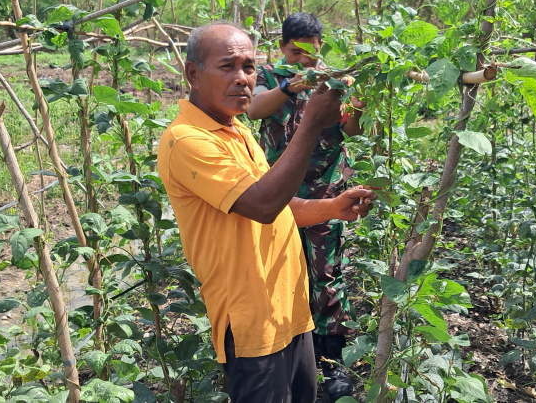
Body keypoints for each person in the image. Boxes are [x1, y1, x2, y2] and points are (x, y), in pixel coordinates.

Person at [157, 21, 376, 403]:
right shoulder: (186, 141)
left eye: (249, 67)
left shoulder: (236, 130)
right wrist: (311, 122)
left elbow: (280, 205)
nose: (243, 78)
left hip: (289, 312)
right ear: (193, 73)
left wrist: (331, 208)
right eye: (228, 66)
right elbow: (262, 205)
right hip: (251, 325)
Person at [247, 13, 364, 402]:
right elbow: (254, 109)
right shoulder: (269, 77)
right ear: (282, 47)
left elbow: (350, 131)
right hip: (277, 193)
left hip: (326, 191)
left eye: (312, 54)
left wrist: (357, 101)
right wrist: (289, 85)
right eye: (296, 52)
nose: (305, 61)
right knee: (281, 271)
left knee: (326, 272)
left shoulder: (334, 78)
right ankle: (295, 352)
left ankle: (333, 362)